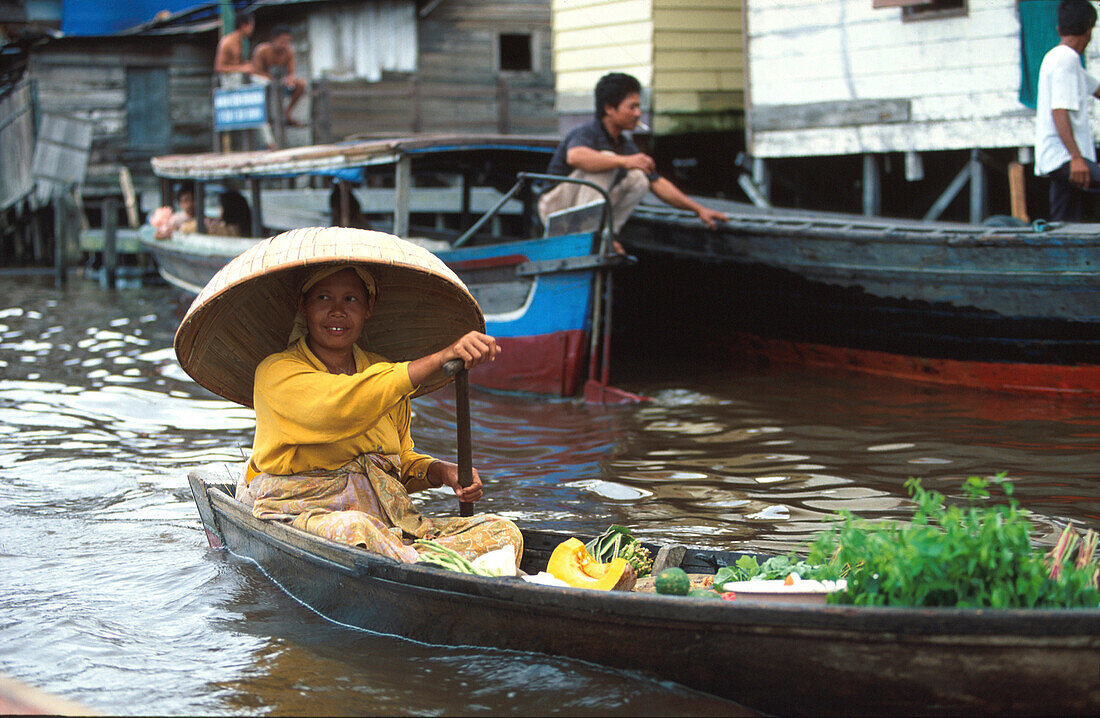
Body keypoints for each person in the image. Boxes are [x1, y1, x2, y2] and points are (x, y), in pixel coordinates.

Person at [236, 265, 523, 563]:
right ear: (303, 305)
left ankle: (420, 564)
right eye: (323, 298)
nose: (337, 311)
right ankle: (425, 569)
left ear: (368, 308)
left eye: (351, 300)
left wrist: (442, 471)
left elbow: (397, 463)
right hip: (302, 514)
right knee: (357, 529)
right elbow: (341, 408)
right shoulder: (276, 372)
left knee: (503, 532)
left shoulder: (382, 371)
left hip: (387, 523)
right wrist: (441, 357)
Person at [538, 72, 728, 236]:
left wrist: (698, 209)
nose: (638, 113)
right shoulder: (587, 131)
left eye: (638, 107)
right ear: (609, 109)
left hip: (580, 212)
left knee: (639, 178)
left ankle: (608, 235)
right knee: (609, 160)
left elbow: (658, 183)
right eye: (632, 107)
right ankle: (585, 235)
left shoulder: (624, 144)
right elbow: (575, 156)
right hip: (555, 209)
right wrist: (624, 161)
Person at [1035, 0, 1100, 221]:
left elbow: (1096, 89)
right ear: (1090, 30)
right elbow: (1059, 110)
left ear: (1059, 30)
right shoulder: (1067, 60)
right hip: (1066, 158)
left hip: (1056, 158)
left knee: (1064, 221)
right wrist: (1076, 158)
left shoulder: (1056, 58)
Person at [252, 24, 307, 126]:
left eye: (288, 42)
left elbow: (291, 72)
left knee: (301, 84)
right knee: (260, 85)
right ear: (274, 39)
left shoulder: (289, 52)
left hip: (281, 84)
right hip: (264, 84)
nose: (285, 45)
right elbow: (256, 71)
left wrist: (290, 79)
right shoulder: (262, 50)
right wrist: (270, 78)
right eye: (282, 42)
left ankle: (287, 112)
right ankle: (267, 117)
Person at [214, 13, 255, 84]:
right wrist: (241, 68)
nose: (252, 29)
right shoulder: (227, 42)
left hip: (237, 76)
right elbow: (218, 67)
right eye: (251, 25)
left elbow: (235, 62)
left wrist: (246, 65)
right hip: (228, 79)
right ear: (244, 26)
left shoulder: (240, 41)